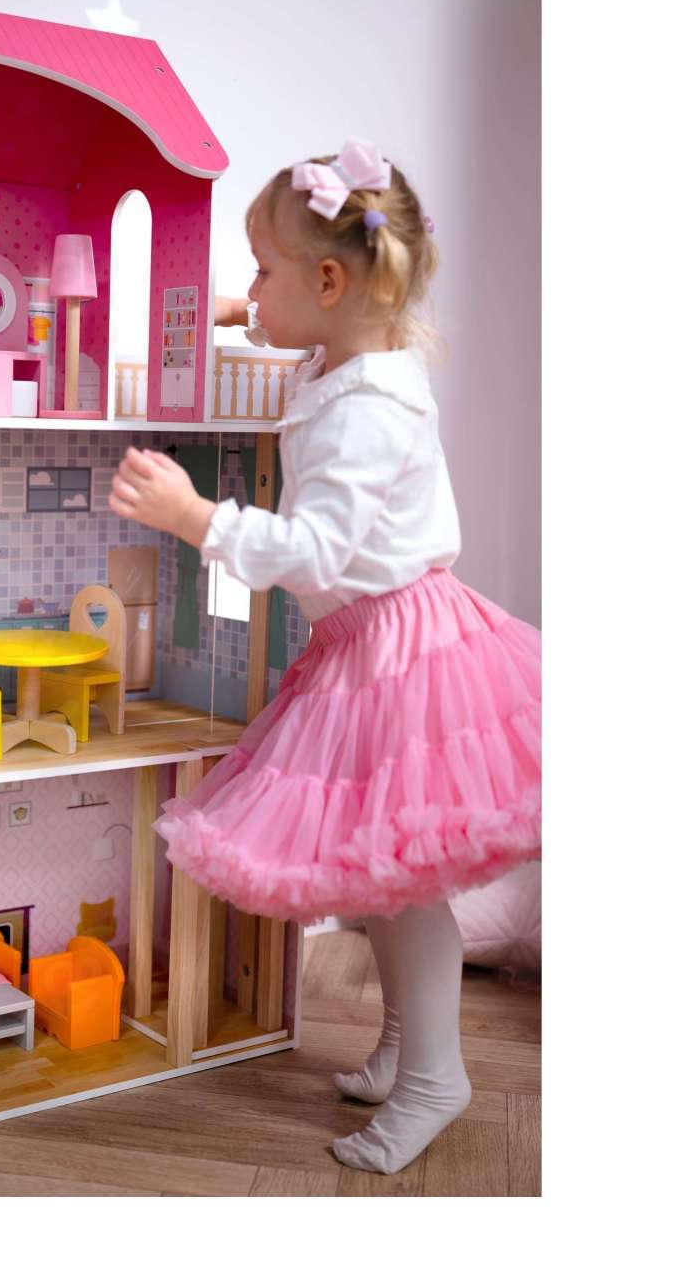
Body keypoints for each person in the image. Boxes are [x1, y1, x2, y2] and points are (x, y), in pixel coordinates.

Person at [109, 139, 541, 1175]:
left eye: (263, 270)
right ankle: (405, 1047)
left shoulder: (371, 408)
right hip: (369, 643)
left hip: (402, 652)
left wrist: (197, 516)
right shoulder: (349, 362)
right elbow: (307, 365)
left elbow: (313, 552)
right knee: (385, 880)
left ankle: (436, 1076)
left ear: (333, 284)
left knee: (408, 884)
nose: (252, 289)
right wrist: (244, 316)